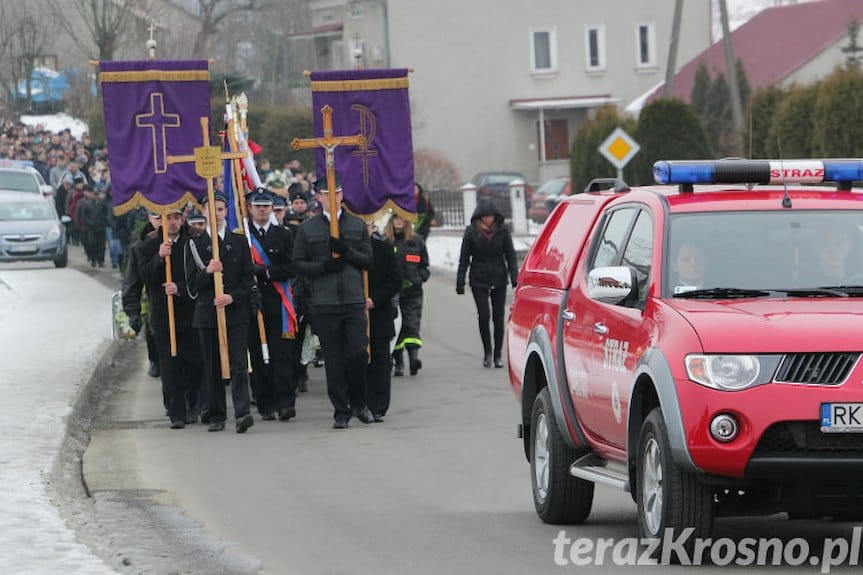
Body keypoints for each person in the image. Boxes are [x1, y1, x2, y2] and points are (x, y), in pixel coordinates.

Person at [293, 178, 374, 429]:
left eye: (336, 191)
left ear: (341, 194)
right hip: (325, 303)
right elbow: (298, 263)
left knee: (358, 354)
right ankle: (341, 409)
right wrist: (323, 266)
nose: (331, 196)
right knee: (334, 360)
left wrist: (347, 252)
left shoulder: (357, 225)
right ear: (318, 197)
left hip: (352, 301)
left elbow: (369, 261)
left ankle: (359, 402)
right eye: (325, 192)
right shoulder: (308, 229)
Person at [184, 192, 255, 434]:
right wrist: (207, 272)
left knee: (238, 364)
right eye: (211, 209)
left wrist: (232, 296)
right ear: (204, 212)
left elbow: (249, 280)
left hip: (235, 313)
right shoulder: (194, 244)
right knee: (212, 366)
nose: (217, 213)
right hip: (208, 314)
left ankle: (242, 412)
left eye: (221, 209)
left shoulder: (239, 242)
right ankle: (216, 414)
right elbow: (191, 286)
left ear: (226, 212)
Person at [136, 207, 202, 428]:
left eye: (176, 218)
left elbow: (201, 276)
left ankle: (194, 404)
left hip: (190, 313)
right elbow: (145, 276)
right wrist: (159, 258)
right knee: (170, 365)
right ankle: (176, 413)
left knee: (194, 362)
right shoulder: (149, 245)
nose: (173, 222)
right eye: (168, 218)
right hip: (164, 316)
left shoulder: (192, 242)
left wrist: (181, 288)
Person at [246, 187, 298, 421]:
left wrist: (266, 273)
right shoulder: (242, 237)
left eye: (266, 206)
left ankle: (285, 402)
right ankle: (265, 402)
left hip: (278, 304)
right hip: (252, 305)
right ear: (250, 208)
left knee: (281, 356)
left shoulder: (284, 235)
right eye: (258, 206)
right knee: (258, 357)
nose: (262, 209)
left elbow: (292, 267)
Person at [456, 198, 519, 368]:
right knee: (484, 316)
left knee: (498, 318)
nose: (488, 219)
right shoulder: (471, 232)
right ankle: (487, 352)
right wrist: (460, 281)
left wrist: (515, 278)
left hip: (498, 277)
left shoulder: (503, 231)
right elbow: (464, 258)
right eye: (485, 216)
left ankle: (498, 354)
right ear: (479, 217)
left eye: (491, 216)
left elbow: (510, 256)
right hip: (479, 278)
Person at [365, 216, 402, 421]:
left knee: (380, 360)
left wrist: (374, 300)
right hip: (354, 313)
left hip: (378, 313)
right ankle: (359, 401)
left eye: (368, 225)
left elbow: (395, 281)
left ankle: (378, 406)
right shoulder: (345, 251)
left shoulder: (384, 250)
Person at [385, 213, 430, 376]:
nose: (398, 221)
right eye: (396, 218)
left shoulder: (416, 241)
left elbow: (425, 266)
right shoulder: (385, 241)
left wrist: (419, 278)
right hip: (391, 293)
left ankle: (413, 360)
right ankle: (398, 363)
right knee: (395, 327)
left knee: (412, 324)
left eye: (401, 218)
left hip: (413, 291)